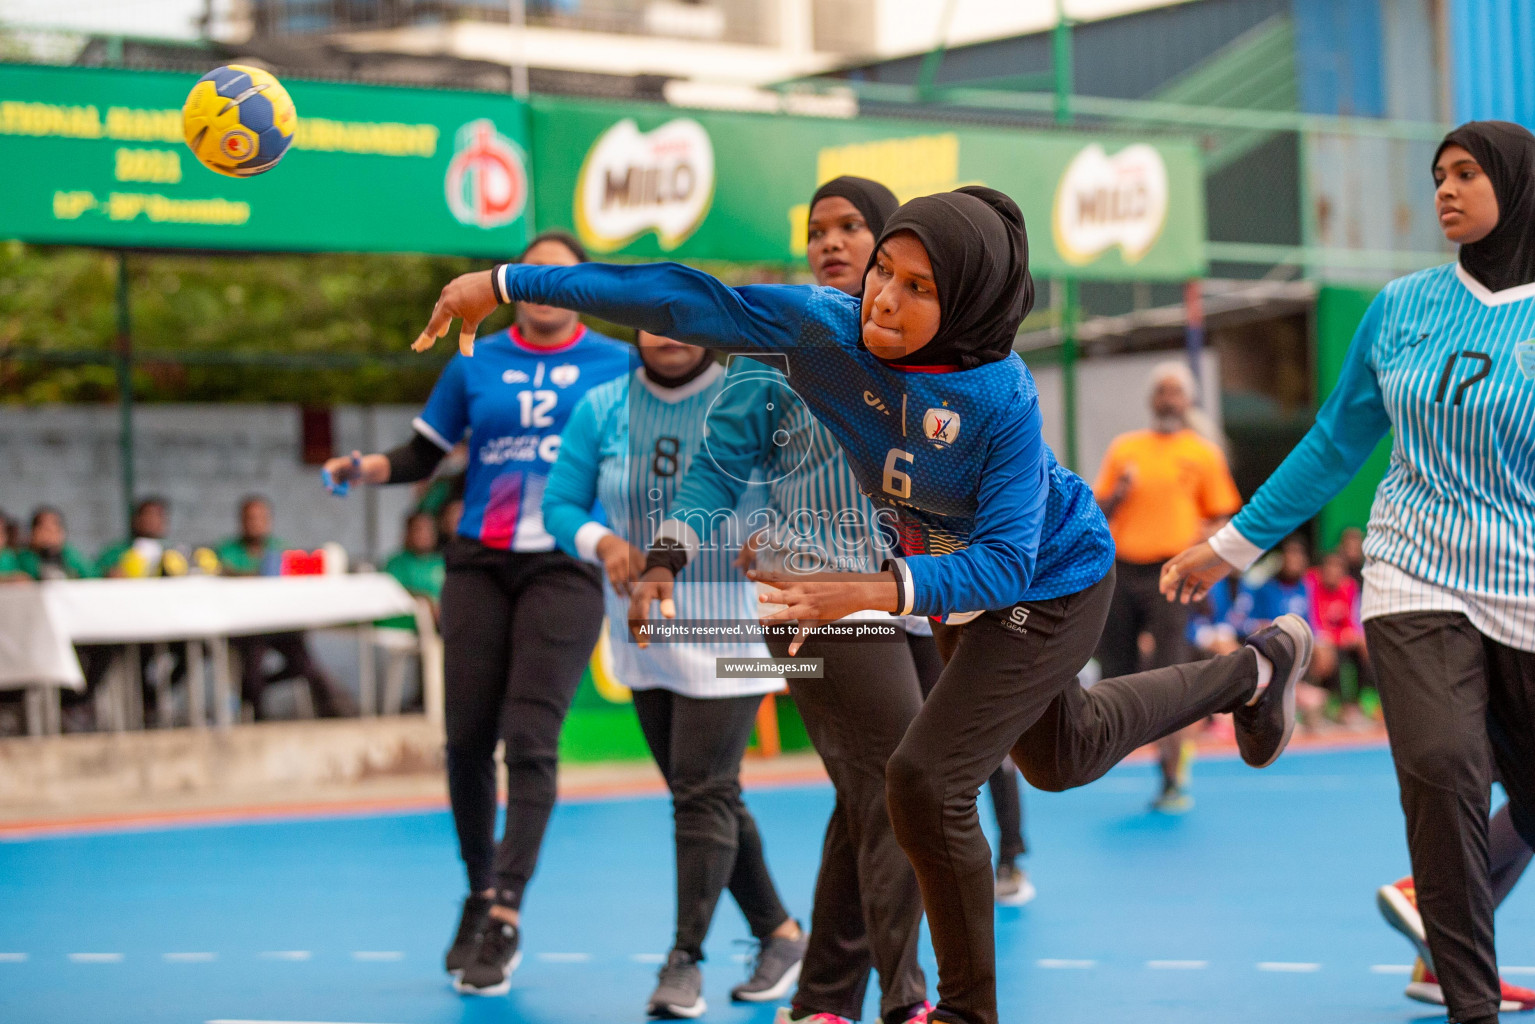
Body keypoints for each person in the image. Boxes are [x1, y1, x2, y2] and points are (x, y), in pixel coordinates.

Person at [413, 185, 1313, 1024]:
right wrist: (502, 280)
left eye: (914, 285)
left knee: (918, 780)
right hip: (860, 596)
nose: (881, 293)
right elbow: (681, 299)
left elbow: (1004, 565)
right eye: (878, 265)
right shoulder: (817, 330)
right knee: (1044, 754)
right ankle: (1252, 670)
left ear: (962, 304)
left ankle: (932, 1003)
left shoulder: (998, 397)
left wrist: (865, 589)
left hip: (1042, 580)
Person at [1162, 121, 1535, 1024]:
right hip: (1414, 572)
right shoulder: (1399, 307)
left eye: (1465, 174)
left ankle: (1445, 921)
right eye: (1436, 174)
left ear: (1516, 186)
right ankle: (1468, 1003)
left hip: (1523, 584)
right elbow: (1334, 443)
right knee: (1442, 767)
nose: (1443, 190)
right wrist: (1229, 544)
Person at [643, 177, 933, 1024]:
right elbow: (715, 471)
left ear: (891, 248)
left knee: (865, 800)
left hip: (916, 596)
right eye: (817, 230)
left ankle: (820, 1000)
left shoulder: (925, 343)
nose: (830, 242)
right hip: (807, 597)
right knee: (895, 788)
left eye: (851, 227)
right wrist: (667, 556)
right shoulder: (770, 348)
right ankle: (904, 1000)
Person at [324, 230, 634, 997]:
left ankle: (506, 912)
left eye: (559, 278)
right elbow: (423, 454)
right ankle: (477, 886)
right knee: (465, 738)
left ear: (583, 288)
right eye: (529, 276)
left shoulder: (619, 364)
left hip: (565, 564)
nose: (542, 287)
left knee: (529, 739)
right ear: (511, 286)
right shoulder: (479, 357)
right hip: (478, 562)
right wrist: (363, 467)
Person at [544, 329, 804, 1019]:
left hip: (736, 622)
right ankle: (779, 933)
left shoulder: (750, 399)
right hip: (644, 628)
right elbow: (560, 505)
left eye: (682, 317)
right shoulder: (603, 407)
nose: (667, 333)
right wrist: (601, 541)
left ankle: (683, 959)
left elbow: (800, 494)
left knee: (699, 793)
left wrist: (775, 542)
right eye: (653, 317)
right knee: (708, 794)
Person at [1093, 361, 1242, 813]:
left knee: (1170, 670)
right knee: (1115, 668)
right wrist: (1120, 489)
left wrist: (1208, 545)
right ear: (1152, 399)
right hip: (1122, 570)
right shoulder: (1126, 449)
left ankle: (1173, 775)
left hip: (1173, 573)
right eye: (1163, 391)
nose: (1169, 399)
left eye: (1177, 392)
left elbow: (1223, 514)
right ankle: (1103, 750)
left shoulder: (1203, 453)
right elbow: (1098, 508)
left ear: (1188, 400)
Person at [217, 495, 356, 720]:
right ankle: (258, 717)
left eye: (261, 518)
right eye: (250, 518)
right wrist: (257, 575)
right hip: (245, 628)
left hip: (278, 624)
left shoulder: (281, 549)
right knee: (252, 662)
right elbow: (225, 575)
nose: (255, 523)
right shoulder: (227, 551)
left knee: (304, 662)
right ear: (241, 521)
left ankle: (333, 709)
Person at [1305, 550, 1372, 724]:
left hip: (1339, 639)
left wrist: (1353, 636)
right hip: (1319, 640)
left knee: (1364, 648)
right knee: (1329, 653)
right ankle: (1327, 708)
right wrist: (1333, 638)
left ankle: (1354, 705)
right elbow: (1314, 620)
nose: (1334, 571)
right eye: (1330, 567)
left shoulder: (1349, 586)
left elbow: (1352, 622)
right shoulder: (1311, 584)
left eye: (1338, 567)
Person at [380, 511, 446, 627]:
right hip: (405, 630)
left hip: (443, 627)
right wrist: (427, 600)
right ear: (407, 533)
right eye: (419, 529)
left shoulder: (441, 562)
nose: (424, 535)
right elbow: (393, 592)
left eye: (429, 530)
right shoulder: (396, 563)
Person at [0, 507, 93, 581]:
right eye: (45, 530)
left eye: (54, 530)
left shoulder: (70, 556)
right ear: (33, 532)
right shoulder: (20, 557)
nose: (49, 536)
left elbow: (93, 575)